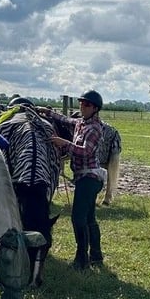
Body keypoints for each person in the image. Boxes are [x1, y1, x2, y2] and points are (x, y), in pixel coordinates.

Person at [40, 89, 107, 270]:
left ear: (95, 108)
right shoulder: (81, 123)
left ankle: (81, 259)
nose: (82, 106)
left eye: (86, 104)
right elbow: (65, 120)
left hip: (89, 178)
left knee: (78, 218)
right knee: (89, 217)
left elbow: (86, 150)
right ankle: (96, 256)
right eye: (81, 103)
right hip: (85, 177)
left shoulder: (94, 129)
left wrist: (64, 143)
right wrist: (48, 113)